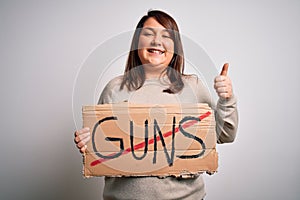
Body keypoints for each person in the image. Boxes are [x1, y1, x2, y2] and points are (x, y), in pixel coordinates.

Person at [74, 10, 238, 200]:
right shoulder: (114, 89)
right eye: (149, 34)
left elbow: (225, 135)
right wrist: (88, 142)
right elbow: (101, 148)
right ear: (137, 42)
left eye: (166, 36)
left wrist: (226, 99)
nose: (156, 41)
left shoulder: (194, 87)